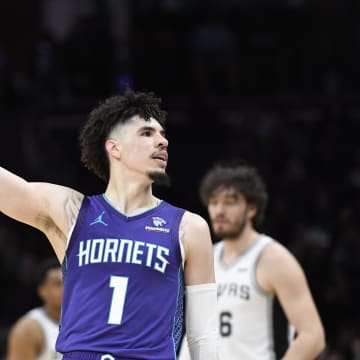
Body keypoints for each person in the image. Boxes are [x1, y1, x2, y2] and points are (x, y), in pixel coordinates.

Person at [0, 89, 218, 360]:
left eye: (163, 134)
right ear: (114, 147)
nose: (162, 142)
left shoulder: (188, 227)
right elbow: (8, 190)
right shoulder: (73, 212)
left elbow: (203, 335)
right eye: (147, 133)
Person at [179, 160, 326, 359]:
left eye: (229, 202)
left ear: (251, 209)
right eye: (214, 202)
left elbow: (313, 337)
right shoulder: (203, 255)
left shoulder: (272, 258)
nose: (219, 210)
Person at [6, 257, 63, 360]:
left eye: (68, 283)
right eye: (58, 284)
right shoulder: (28, 328)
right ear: (42, 290)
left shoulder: (84, 322)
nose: (65, 289)